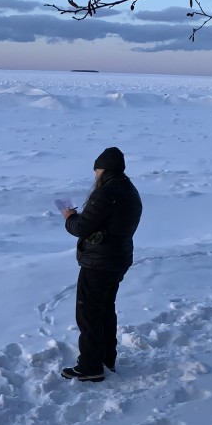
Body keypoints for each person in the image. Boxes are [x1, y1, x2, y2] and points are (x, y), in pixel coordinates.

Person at [60, 146, 143, 382]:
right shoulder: (128, 189)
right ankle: (106, 358)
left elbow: (82, 228)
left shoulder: (107, 192)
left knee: (89, 313)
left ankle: (90, 366)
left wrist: (70, 218)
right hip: (117, 259)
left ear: (103, 169)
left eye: (96, 171)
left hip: (99, 262)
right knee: (105, 310)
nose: (95, 176)